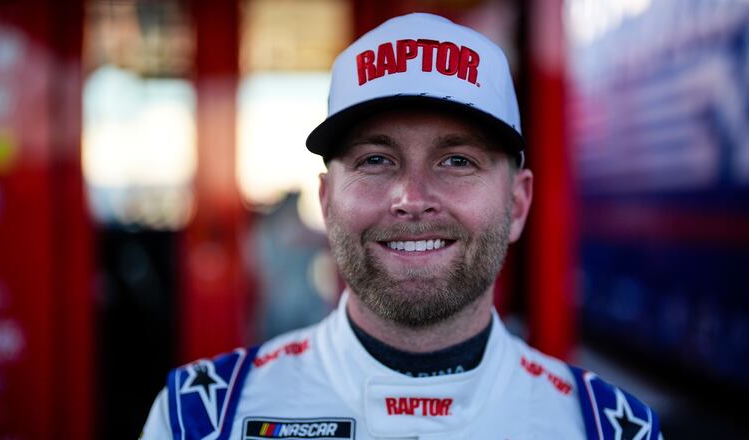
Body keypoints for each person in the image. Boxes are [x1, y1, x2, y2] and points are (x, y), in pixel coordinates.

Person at [141, 13, 662, 440]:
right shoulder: (202, 419)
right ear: (326, 202)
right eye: (375, 160)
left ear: (518, 204)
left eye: (457, 161)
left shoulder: (610, 429)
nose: (412, 199)